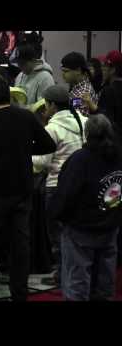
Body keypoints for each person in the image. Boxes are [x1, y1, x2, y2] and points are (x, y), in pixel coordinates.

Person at [0, 78, 56, 301]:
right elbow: (48, 145)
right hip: (22, 193)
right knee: (20, 246)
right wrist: (25, 147)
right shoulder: (25, 117)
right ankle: (19, 293)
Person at [50, 114, 122, 301]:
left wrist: (56, 215)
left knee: (77, 284)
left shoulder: (80, 160)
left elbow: (66, 194)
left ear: (87, 133)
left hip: (81, 230)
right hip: (110, 226)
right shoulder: (117, 155)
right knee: (105, 284)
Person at [32, 85, 88, 286]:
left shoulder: (52, 128)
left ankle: (61, 275)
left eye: (46, 104)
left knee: (57, 235)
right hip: (81, 186)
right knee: (75, 233)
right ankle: (75, 273)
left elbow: (42, 163)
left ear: (52, 105)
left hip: (56, 186)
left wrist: (28, 154)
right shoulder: (84, 121)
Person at [14, 43, 55, 109]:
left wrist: (20, 108)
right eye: (18, 63)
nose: (20, 66)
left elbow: (44, 108)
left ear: (33, 61)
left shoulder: (45, 78)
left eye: (23, 63)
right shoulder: (20, 75)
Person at [61, 52, 98, 117]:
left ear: (78, 70)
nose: (63, 74)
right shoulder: (78, 87)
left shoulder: (82, 93)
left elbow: (77, 122)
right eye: (62, 71)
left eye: (66, 71)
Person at [98, 50, 122, 145]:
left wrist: (94, 108)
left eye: (104, 67)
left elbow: (105, 120)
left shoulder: (108, 91)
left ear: (112, 70)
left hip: (114, 143)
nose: (102, 71)